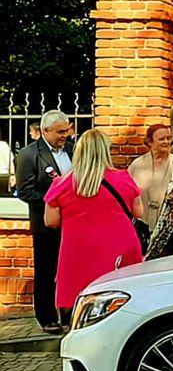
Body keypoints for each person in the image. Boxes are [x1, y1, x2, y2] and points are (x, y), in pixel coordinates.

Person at [43, 130, 143, 319]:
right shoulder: (123, 178)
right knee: (122, 297)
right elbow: (139, 212)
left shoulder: (61, 183)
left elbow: (51, 221)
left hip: (78, 248)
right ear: (106, 151)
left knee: (79, 298)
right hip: (121, 245)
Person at [15, 111, 75, 333]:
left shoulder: (72, 150)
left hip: (73, 223)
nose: (64, 135)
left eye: (66, 130)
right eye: (60, 132)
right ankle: (47, 317)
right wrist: (55, 202)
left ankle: (69, 313)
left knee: (71, 269)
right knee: (46, 271)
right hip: (45, 224)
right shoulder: (29, 154)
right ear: (45, 131)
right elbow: (25, 191)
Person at [128, 124, 173, 259]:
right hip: (141, 230)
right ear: (149, 142)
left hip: (169, 230)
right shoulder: (137, 165)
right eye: (162, 139)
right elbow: (127, 195)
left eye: (168, 138)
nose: (166, 142)